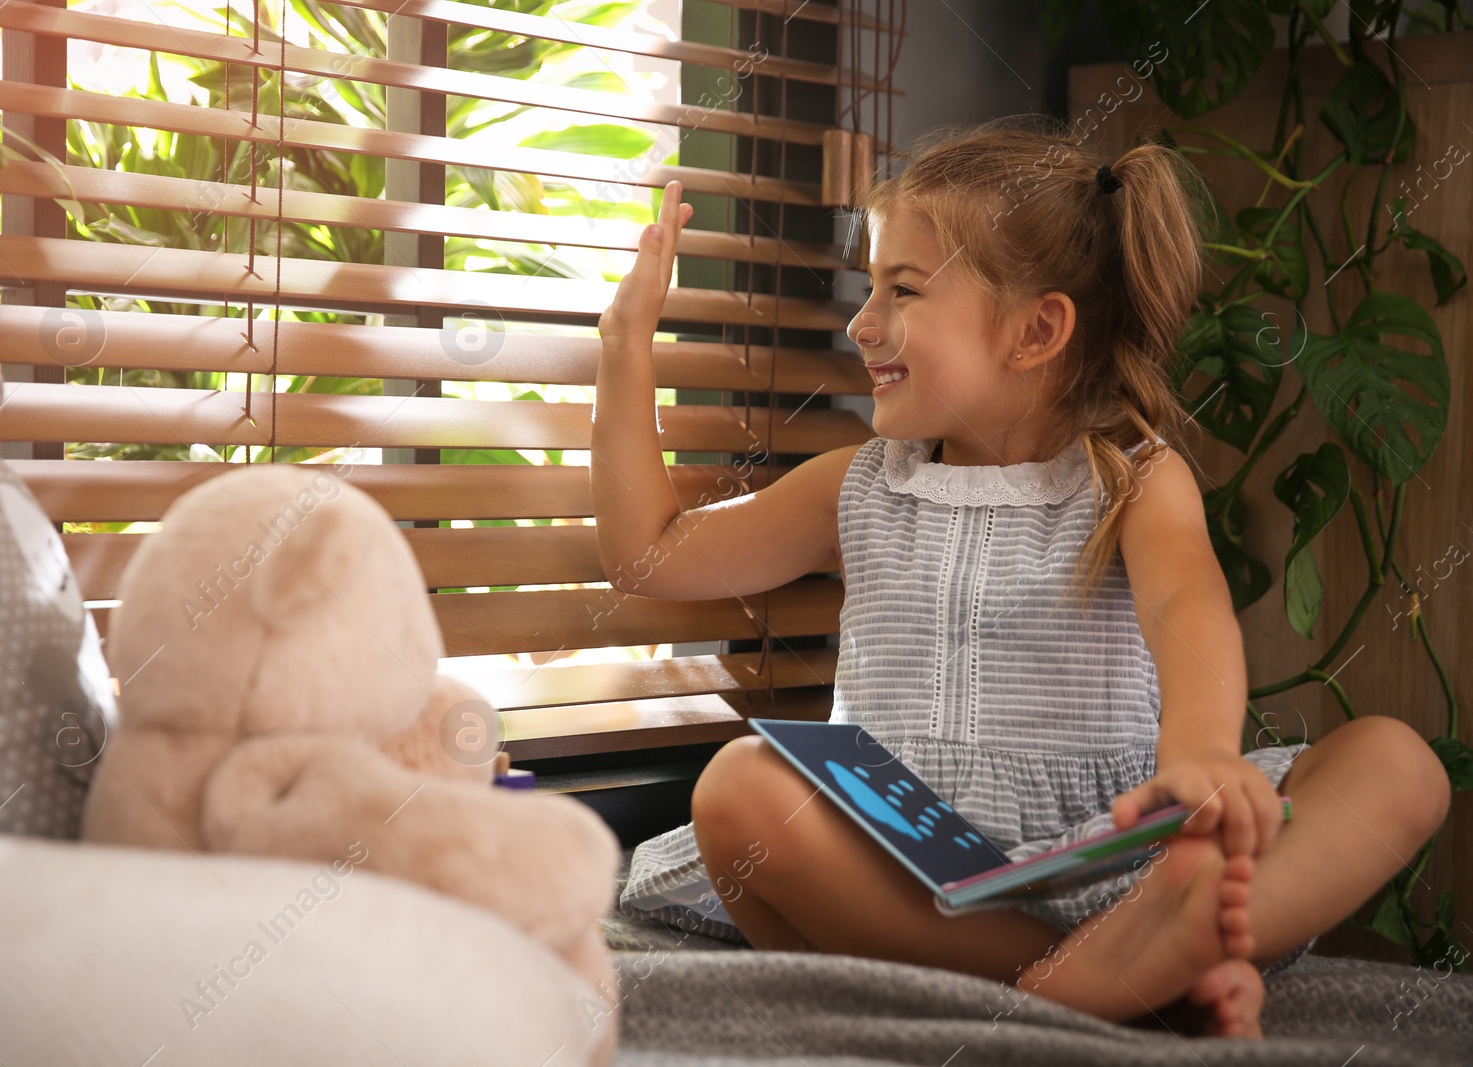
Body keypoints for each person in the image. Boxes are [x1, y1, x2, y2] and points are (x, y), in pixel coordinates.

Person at [590, 119, 1451, 1038]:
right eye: (866, 288)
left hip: (1117, 865)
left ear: (1037, 330)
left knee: (1398, 763)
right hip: (911, 873)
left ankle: (1112, 962)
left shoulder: (1132, 475)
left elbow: (1183, 602)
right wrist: (624, 344)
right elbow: (650, 553)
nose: (860, 323)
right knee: (737, 791)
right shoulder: (861, 486)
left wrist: (1198, 759)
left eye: (902, 290)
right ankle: (1110, 983)